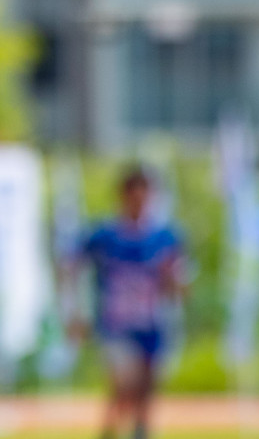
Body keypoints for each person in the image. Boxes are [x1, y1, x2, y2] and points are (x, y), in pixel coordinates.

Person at [71, 166, 187, 439]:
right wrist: (76, 312)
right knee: (124, 385)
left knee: (146, 388)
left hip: (151, 322)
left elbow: (179, 288)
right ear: (123, 196)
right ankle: (109, 431)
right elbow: (71, 266)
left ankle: (140, 432)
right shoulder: (104, 236)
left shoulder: (165, 238)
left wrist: (170, 279)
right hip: (116, 324)